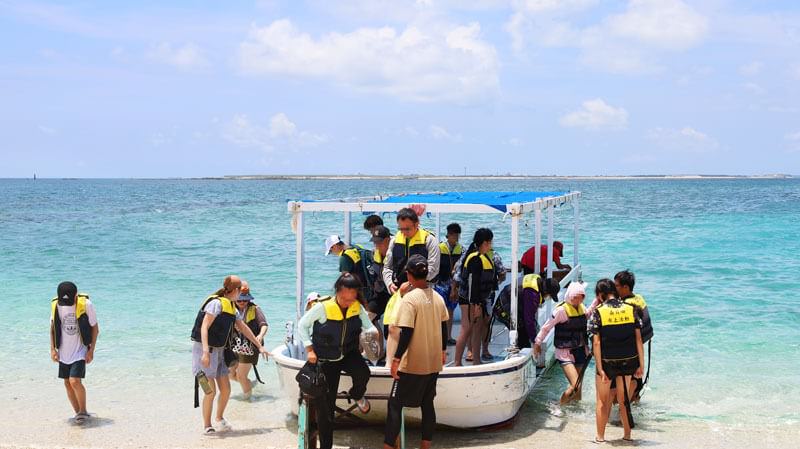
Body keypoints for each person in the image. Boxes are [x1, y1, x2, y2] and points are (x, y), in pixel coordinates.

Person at [298, 273, 377, 449]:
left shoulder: (357, 307)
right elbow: (302, 325)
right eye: (344, 299)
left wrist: (372, 333)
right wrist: (309, 350)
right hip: (326, 358)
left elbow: (368, 325)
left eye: (352, 298)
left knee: (363, 373)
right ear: (337, 292)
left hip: (348, 353)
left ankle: (356, 394)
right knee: (326, 409)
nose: (348, 302)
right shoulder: (322, 308)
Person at [190, 275, 270, 435]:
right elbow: (204, 327)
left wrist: (259, 346)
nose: (242, 295)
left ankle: (219, 418)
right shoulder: (215, 304)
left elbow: (244, 328)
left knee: (226, 390)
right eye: (240, 291)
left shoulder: (231, 307)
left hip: (220, 354)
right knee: (210, 391)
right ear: (235, 290)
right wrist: (205, 353)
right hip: (203, 354)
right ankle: (207, 425)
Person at [383, 255, 449, 449]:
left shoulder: (410, 300)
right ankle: (425, 446)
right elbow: (444, 327)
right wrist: (443, 350)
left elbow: (406, 332)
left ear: (409, 275)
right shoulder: (437, 297)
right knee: (427, 404)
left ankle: (388, 446)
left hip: (411, 364)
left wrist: (396, 359)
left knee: (395, 404)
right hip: (433, 362)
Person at [588, 278, 645, 443]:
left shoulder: (598, 311)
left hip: (607, 362)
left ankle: (600, 437)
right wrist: (641, 365)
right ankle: (627, 435)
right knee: (623, 399)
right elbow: (638, 339)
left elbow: (596, 342)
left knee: (602, 400)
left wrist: (600, 368)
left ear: (600, 295)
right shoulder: (630, 309)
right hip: (628, 361)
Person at [50, 281, 99, 424]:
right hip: (63, 351)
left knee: (74, 381)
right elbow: (52, 328)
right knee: (67, 383)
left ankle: (83, 411)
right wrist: (53, 349)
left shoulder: (86, 304)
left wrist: (91, 350)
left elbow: (95, 328)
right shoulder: (56, 305)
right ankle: (79, 413)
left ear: (76, 295)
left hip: (80, 350)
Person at [533, 281, 590, 404]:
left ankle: (575, 410)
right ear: (569, 296)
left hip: (580, 351)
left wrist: (598, 301)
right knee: (575, 385)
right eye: (575, 297)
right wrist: (537, 343)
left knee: (579, 389)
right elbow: (546, 328)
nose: (578, 301)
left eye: (581, 297)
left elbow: (589, 315)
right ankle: (560, 406)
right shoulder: (560, 311)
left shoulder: (583, 308)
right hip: (565, 353)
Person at [454, 228, 496, 366]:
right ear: (485, 243)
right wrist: (476, 304)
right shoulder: (475, 259)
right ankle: (457, 363)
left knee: (477, 330)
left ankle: (477, 361)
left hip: (478, 300)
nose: (491, 245)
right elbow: (474, 284)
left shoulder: (482, 256)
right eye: (490, 242)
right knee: (466, 329)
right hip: (469, 300)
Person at [615, 270, 653, 401]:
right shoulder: (639, 298)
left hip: (632, 350)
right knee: (636, 382)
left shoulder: (627, 305)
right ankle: (635, 409)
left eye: (617, 286)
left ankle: (624, 411)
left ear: (625, 287)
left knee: (630, 382)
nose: (615, 288)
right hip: (640, 346)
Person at [382, 207, 440, 294]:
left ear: (416, 224)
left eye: (407, 229)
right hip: (399, 291)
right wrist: (390, 284)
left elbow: (433, 269)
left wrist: (411, 285)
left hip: (422, 292)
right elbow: (387, 267)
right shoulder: (394, 241)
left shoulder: (429, 240)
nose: (403, 232)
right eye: (401, 229)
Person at [229, 280, 269, 400]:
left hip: (250, 347)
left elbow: (264, 325)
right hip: (235, 345)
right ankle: (249, 384)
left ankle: (247, 400)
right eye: (239, 300)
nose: (242, 302)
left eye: (245, 300)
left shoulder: (255, 309)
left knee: (241, 376)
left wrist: (260, 336)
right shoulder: (230, 309)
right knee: (229, 374)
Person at [325, 234, 377, 303]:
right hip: (372, 285)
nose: (333, 253)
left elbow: (345, 281)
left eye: (331, 251)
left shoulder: (344, 257)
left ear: (334, 246)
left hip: (362, 292)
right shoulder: (357, 247)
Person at [433, 222, 462, 345]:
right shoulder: (439, 248)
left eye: (457, 236)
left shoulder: (461, 250)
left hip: (454, 285)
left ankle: (448, 336)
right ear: (448, 235)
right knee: (440, 311)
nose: (456, 238)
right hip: (441, 284)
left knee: (450, 310)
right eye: (454, 235)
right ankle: (439, 337)